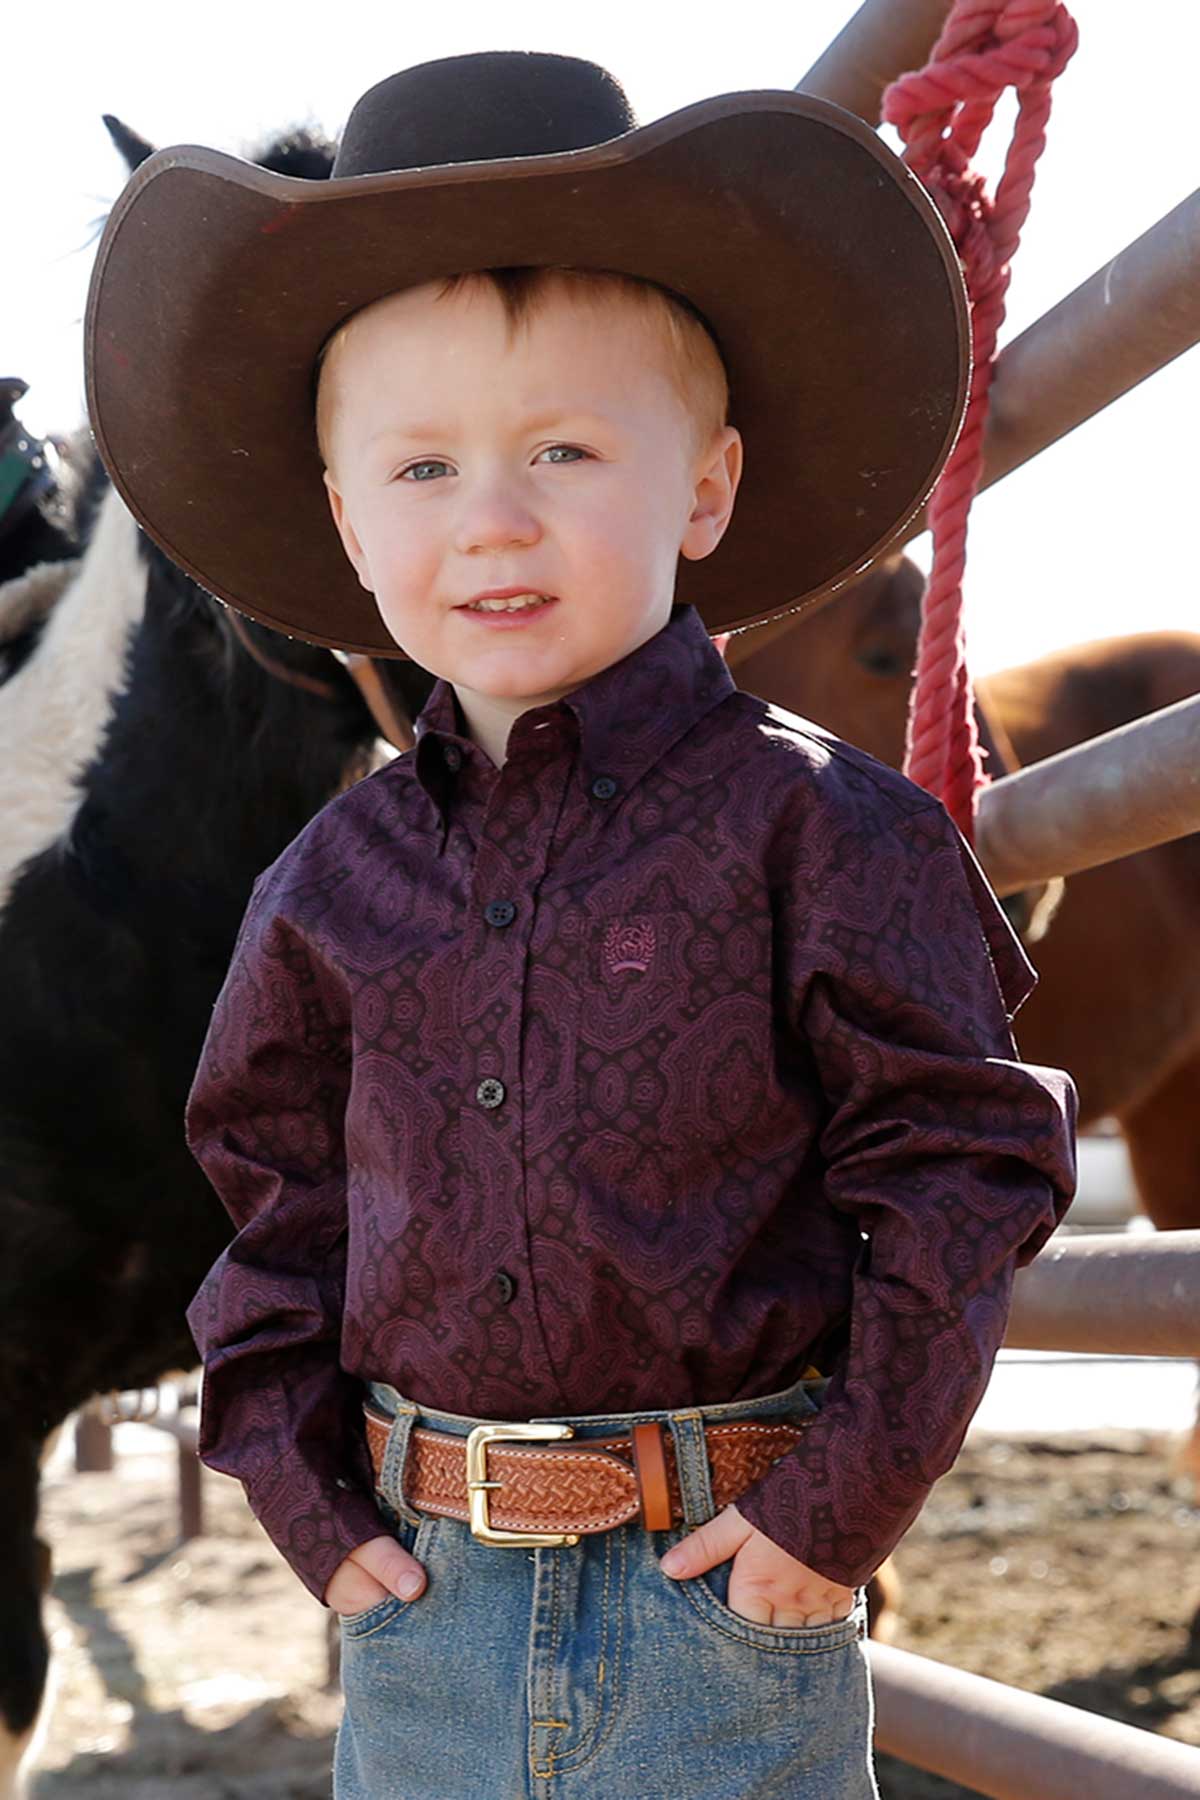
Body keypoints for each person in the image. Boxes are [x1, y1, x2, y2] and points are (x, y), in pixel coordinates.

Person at [84, 50, 1078, 1800]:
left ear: (701, 489)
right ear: (343, 522)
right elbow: (269, 1205)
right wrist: (322, 1521)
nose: (493, 517)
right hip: (425, 1608)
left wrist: (830, 1519)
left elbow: (959, 1174)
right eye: (420, 467)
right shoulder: (325, 891)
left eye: (564, 446)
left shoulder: (826, 833)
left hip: (729, 1601)